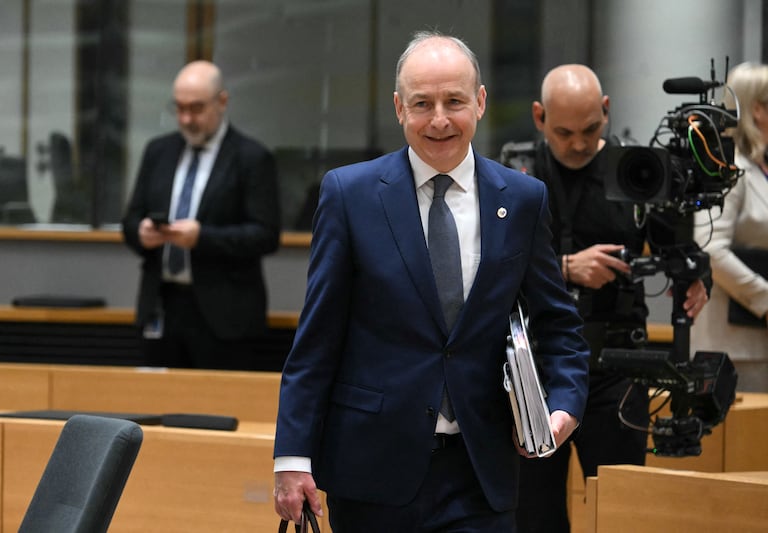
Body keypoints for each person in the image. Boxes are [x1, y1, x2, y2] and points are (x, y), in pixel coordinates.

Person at [273, 31, 590, 532]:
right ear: (400, 108)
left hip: (481, 471)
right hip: (372, 470)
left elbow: (559, 326)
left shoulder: (524, 200)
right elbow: (316, 341)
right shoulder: (349, 195)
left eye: (454, 101)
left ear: (480, 102)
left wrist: (564, 404)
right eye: (422, 103)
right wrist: (292, 458)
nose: (439, 119)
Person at [511, 64, 710, 532]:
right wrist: (565, 268)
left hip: (619, 367)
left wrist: (699, 279)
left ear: (606, 112)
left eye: (590, 129)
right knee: (533, 516)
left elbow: (680, 252)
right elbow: (488, 268)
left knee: (623, 512)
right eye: (563, 132)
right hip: (535, 371)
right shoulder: (516, 175)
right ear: (539, 117)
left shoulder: (637, 170)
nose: (578, 144)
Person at [121, 60, 280, 370]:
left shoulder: (251, 158)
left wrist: (201, 237)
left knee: (217, 412)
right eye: (179, 108)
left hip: (225, 317)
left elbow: (265, 235)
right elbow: (130, 220)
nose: (186, 118)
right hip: (162, 306)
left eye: (196, 108)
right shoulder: (158, 151)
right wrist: (140, 233)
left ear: (222, 101)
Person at [692, 62, 768, 392]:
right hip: (734, 347)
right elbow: (708, 247)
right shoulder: (728, 168)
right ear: (757, 110)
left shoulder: (759, 167)